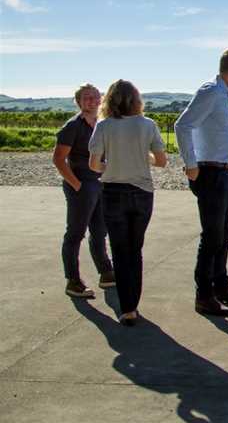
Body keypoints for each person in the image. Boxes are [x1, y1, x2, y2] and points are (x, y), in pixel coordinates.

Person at [174, 48, 228, 317]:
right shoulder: (210, 92)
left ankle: (221, 287)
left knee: (224, 234)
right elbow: (181, 126)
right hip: (209, 172)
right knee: (212, 237)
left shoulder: (221, 95)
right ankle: (204, 295)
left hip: (222, 172)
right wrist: (191, 164)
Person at [88, 80, 167, 325]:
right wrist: (143, 157)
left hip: (113, 192)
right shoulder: (148, 125)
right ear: (136, 100)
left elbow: (94, 165)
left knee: (120, 251)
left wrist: (111, 166)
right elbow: (161, 161)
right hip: (142, 192)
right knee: (135, 249)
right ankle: (134, 300)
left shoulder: (103, 126)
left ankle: (127, 308)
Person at [53, 83, 114, 298]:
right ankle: (73, 281)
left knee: (99, 231)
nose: (92, 100)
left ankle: (106, 273)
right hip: (81, 186)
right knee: (75, 234)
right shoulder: (72, 127)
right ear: (79, 102)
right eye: (86, 97)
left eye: (95, 97)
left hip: (100, 185)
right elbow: (59, 160)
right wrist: (76, 185)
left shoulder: (102, 124)